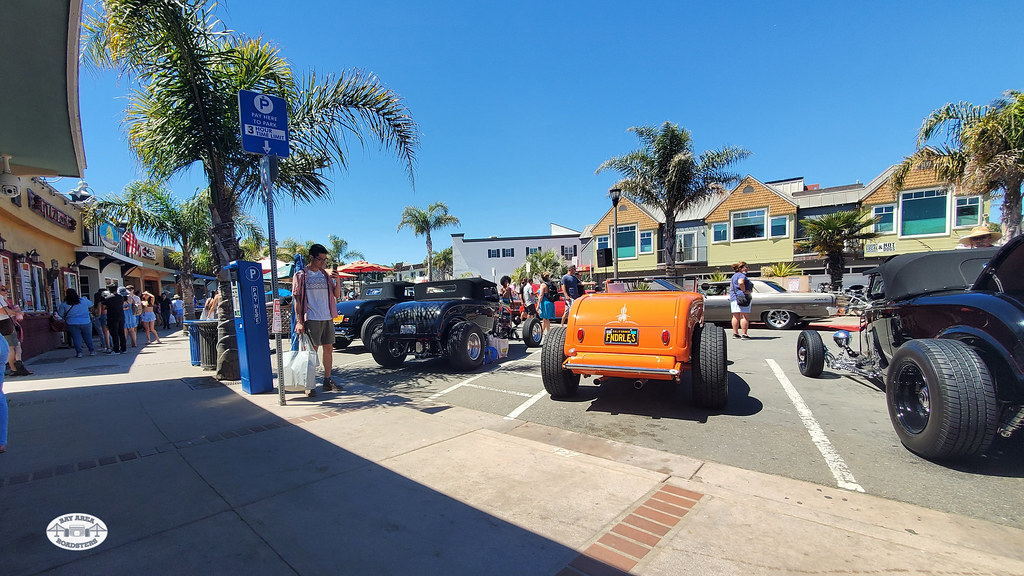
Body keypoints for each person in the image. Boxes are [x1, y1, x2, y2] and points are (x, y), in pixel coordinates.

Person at [293, 243, 343, 397]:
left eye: (324, 260)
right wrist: (299, 321)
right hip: (312, 318)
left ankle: (327, 380)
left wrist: (338, 280)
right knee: (311, 352)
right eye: (320, 259)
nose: (323, 262)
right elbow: (297, 300)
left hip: (327, 316)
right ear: (311, 257)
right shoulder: (301, 275)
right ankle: (309, 383)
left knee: (328, 349)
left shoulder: (325, 275)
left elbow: (336, 295)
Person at [56, 289, 96, 357]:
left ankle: (79, 353)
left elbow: (60, 314)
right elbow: (91, 304)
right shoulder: (83, 300)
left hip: (72, 322)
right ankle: (91, 351)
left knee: (76, 338)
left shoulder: (64, 304)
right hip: (86, 321)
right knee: (88, 337)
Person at [1, 286, 31, 376]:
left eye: (6, 289)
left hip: (6, 323)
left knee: (15, 345)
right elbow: (3, 311)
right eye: (3, 289)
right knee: (11, 347)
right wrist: (16, 313)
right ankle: (14, 368)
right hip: (4, 323)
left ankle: (17, 365)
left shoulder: (3, 299)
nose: (6, 291)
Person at [730, 261, 752, 339]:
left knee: (735, 316)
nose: (747, 269)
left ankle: (735, 333)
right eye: (746, 267)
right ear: (741, 268)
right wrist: (744, 290)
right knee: (744, 316)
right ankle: (744, 334)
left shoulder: (733, 276)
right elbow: (741, 282)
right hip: (743, 297)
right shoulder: (742, 275)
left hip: (734, 297)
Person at [105, 287, 128, 354]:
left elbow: (104, 306)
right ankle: (124, 349)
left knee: (114, 334)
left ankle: (116, 349)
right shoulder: (121, 297)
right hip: (121, 316)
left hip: (112, 317)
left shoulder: (108, 298)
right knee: (121, 333)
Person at [537, 272, 558, 336]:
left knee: (546, 318)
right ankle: (542, 332)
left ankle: (549, 333)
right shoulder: (550, 284)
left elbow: (541, 296)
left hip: (545, 303)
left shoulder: (543, 285)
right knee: (544, 318)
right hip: (550, 302)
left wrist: (538, 305)